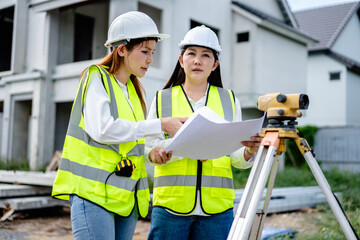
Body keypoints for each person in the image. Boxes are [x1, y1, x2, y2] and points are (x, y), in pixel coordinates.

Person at [51, 11, 186, 240]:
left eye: (152, 52)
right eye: (144, 51)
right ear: (121, 49)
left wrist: (153, 153)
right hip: (93, 196)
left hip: (125, 199)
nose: (150, 59)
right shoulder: (97, 78)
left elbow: (130, 144)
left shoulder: (134, 92)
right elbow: (103, 129)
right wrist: (160, 123)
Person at [145, 25, 262, 240]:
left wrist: (249, 152)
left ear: (215, 64)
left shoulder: (229, 99)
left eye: (205, 55)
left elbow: (236, 158)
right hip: (171, 207)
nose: (198, 61)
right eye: (191, 54)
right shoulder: (162, 99)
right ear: (181, 60)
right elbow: (149, 147)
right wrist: (156, 155)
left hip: (216, 210)